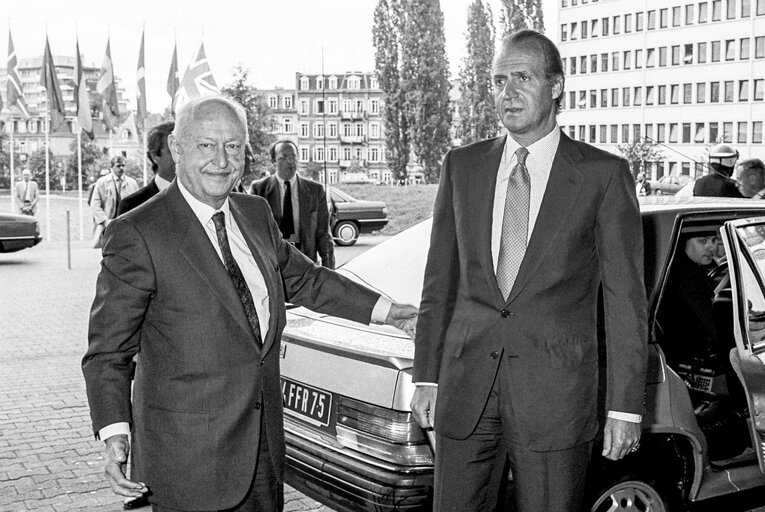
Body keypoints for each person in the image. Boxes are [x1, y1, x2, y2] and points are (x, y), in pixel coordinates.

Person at [81, 96, 417, 512]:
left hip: (263, 449)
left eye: (234, 146)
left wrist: (388, 311)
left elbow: (307, 279)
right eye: (206, 145)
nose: (221, 160)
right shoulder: (137, 232)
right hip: (188, 461)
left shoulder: (254, 213)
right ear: (177, 148)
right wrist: (115, 431)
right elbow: (107, 352)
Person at [410, 30, 647, 512]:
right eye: (498, 80)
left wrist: (624, 407)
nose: (507, 92)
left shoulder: (603, 175)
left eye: (522, 77)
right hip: (465, 387)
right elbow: (440, 284)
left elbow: (626, 301)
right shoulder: (462, 167)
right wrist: (426, 377)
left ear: (556, 86)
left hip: (555, 395)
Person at [250, 140, 335, 268]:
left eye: (293, 157)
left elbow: (324, 234)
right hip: (273, 263)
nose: (290, 161)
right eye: (284, 157)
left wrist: (329, 271)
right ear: (273, 162)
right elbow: (253, 233)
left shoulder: (315, 191)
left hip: (306, 261)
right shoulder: (259, 189)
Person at [117, 122, 176, 215]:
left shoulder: (202, 200)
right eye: (173, 151)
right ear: (154, 156)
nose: (181, 156)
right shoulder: (132, 205)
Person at [90, 156, 139, 247]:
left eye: (123, 165)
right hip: (108, 227)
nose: (121, 168)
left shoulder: (132, 183)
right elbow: (95, 205)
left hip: (127, 227)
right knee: (109, 255)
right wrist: (105, 221)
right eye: (118, 165)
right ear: (112, 167)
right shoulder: (102, 182)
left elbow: (138, 204)